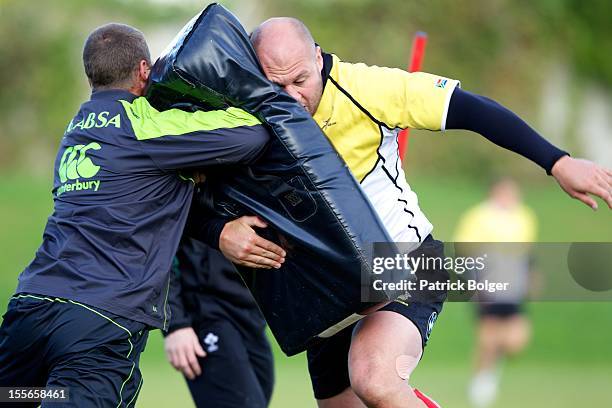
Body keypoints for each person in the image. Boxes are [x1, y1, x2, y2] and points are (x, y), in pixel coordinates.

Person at [249, 17, 612, 408]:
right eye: (276, 85)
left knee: (376, 379)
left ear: (318, 58)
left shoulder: (368, 89)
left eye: (300, 80)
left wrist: (557, 162)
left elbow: (472, 110)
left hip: (404, 261)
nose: (291, 97)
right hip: (326, 288)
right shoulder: (247, 110)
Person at [0, 23, 284, 407]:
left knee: (18, 397)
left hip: (30, 315)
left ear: (91, 76)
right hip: (97, 325)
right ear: (145, 71)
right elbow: (251, 134)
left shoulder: (74, 132)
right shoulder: (145, 124)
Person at [163, 202, 274, 408]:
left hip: (251, 311)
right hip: (203, 310)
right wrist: (175, 323)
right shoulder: (182, 173)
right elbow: (155, 243)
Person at [454, 178, 537, 408]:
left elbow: (527, 251)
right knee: (488, 338)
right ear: (495, 192)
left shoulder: (524, 216)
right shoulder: (478, 216)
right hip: (487, 285)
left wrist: (532, 275)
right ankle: (481, 381)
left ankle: (492, 367)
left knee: (516, 340)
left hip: (513, 287)